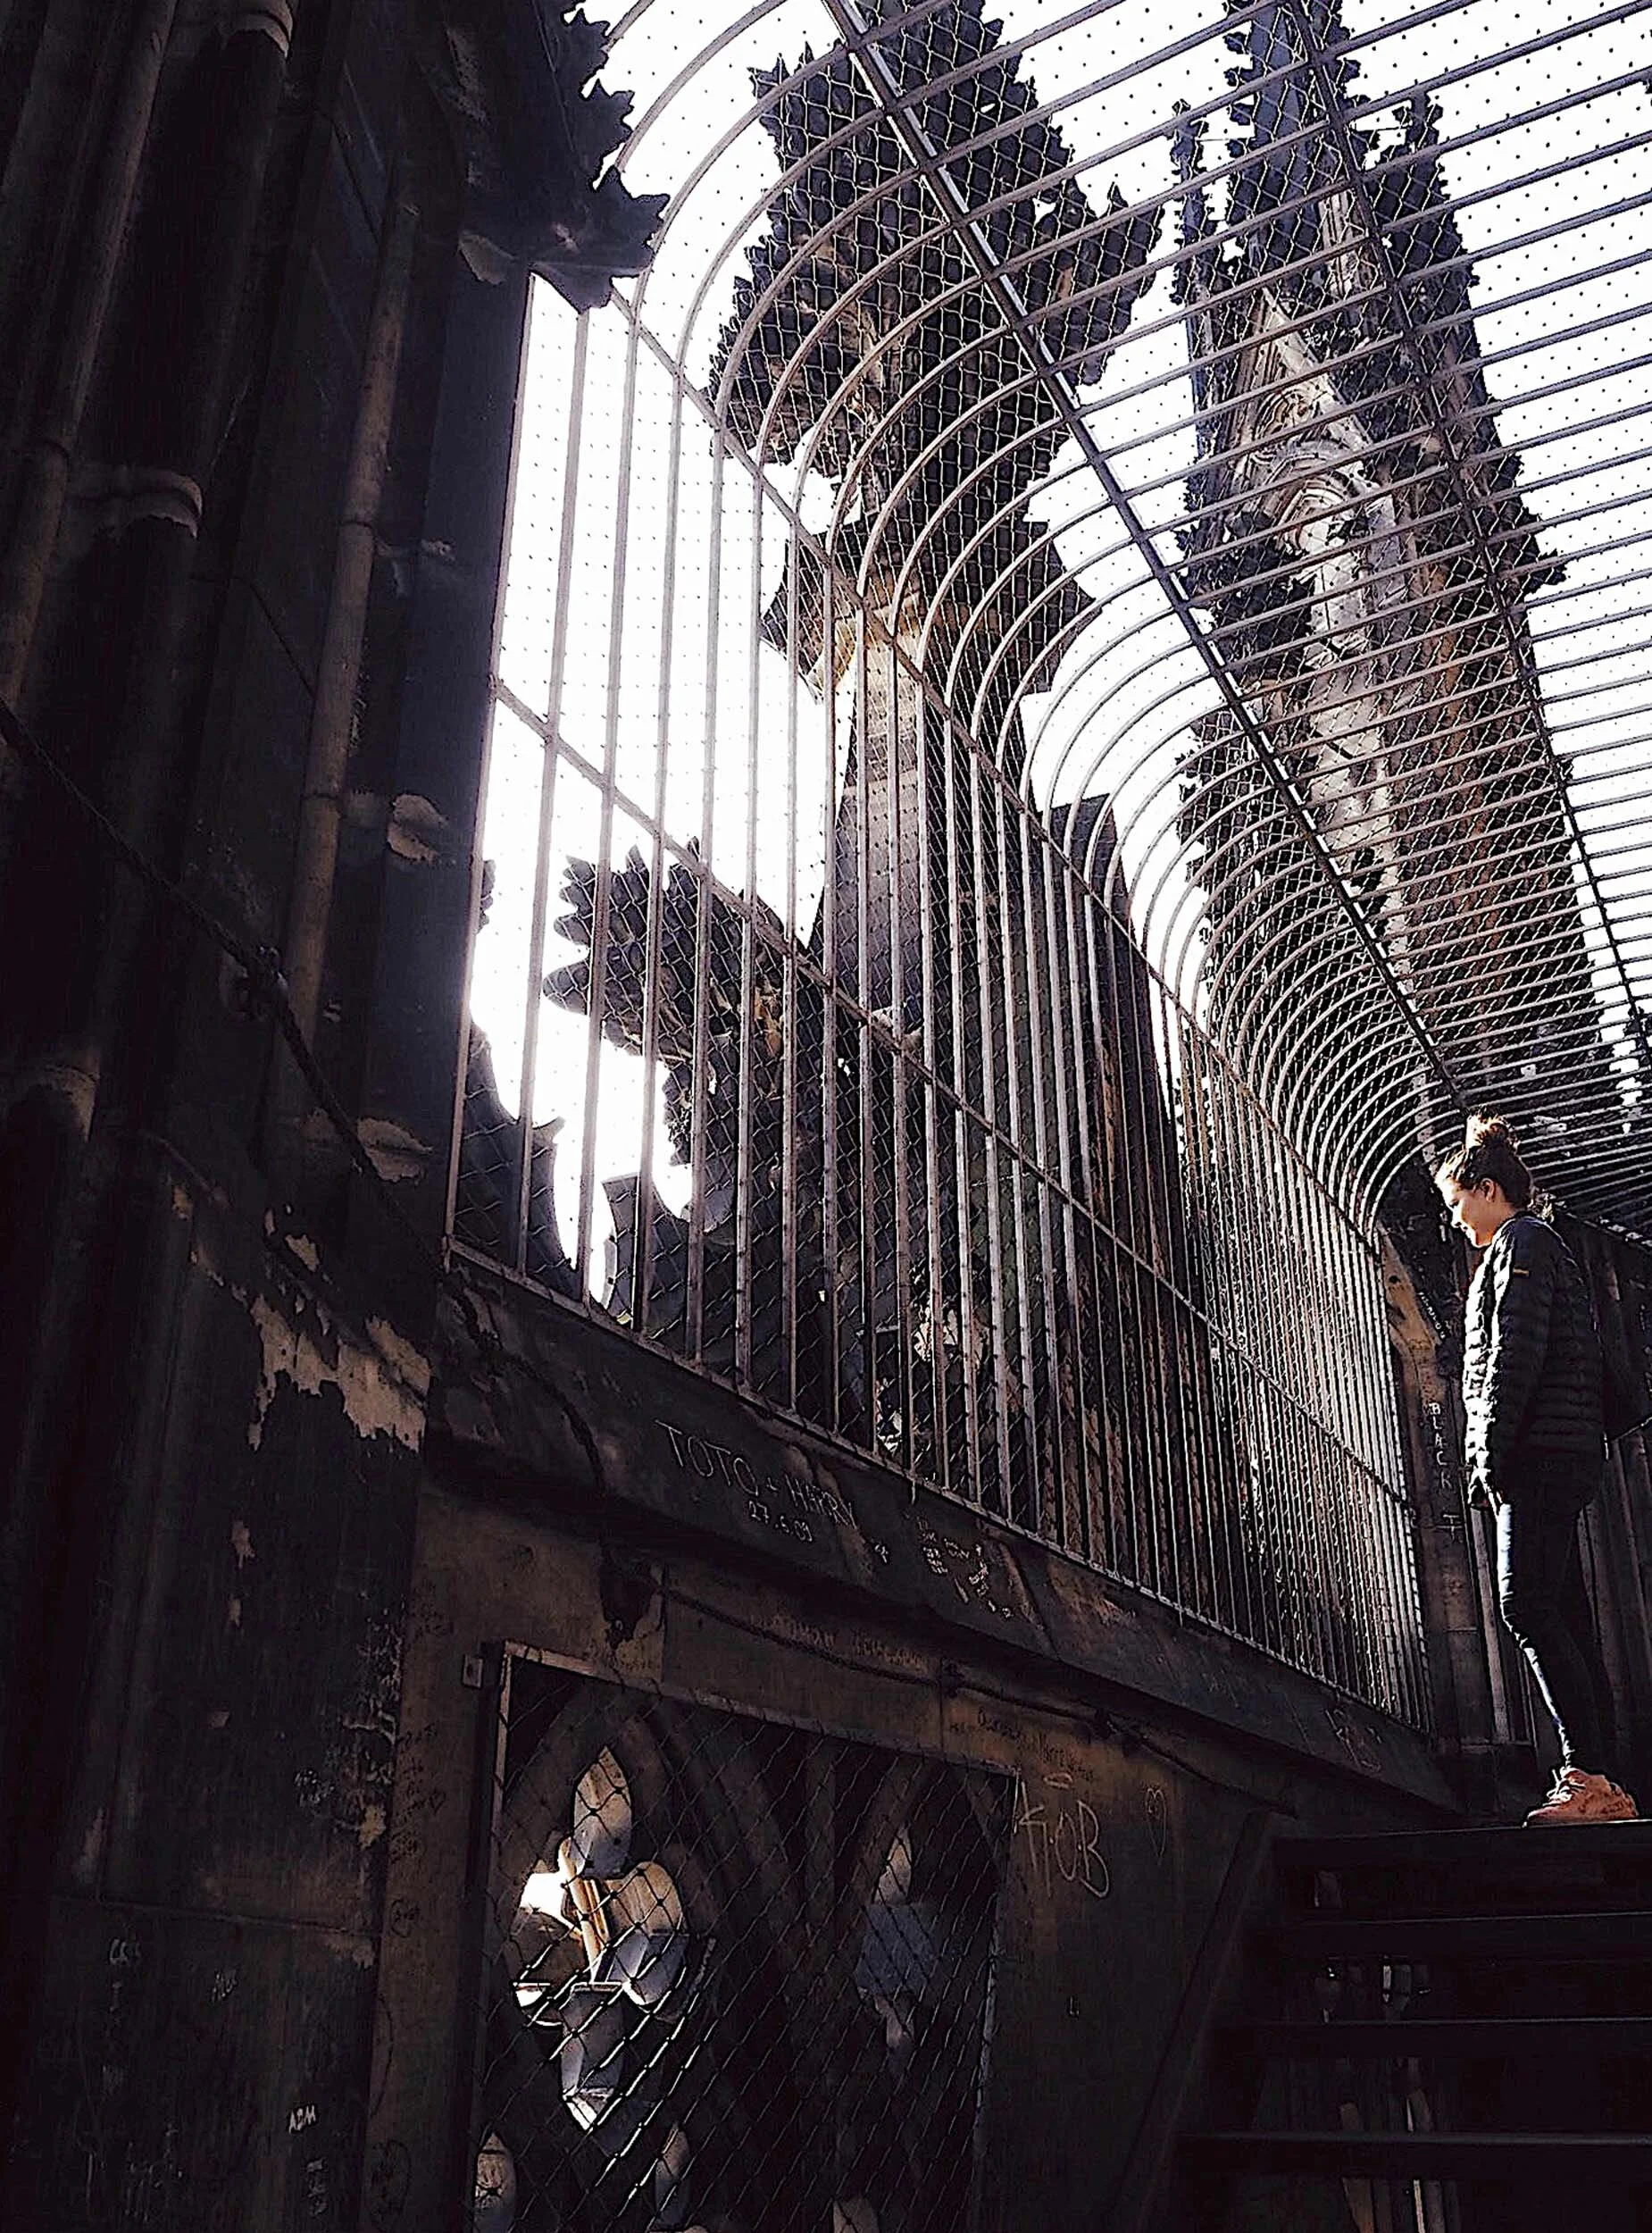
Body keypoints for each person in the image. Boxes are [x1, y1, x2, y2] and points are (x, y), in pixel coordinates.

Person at [1435, 1114, 1639, 1826]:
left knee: (1524, 1603)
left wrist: (1488, 1455)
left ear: (1488, 1190)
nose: (1455, 1219)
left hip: (1538, 1455)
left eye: (1458, 1203)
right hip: (1555, 1452)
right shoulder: (1528, 1249)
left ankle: (1585, 1776)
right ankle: (1601, 1781)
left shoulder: (1523, 1244)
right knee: (1567, 1614)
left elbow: (1514, 1357)